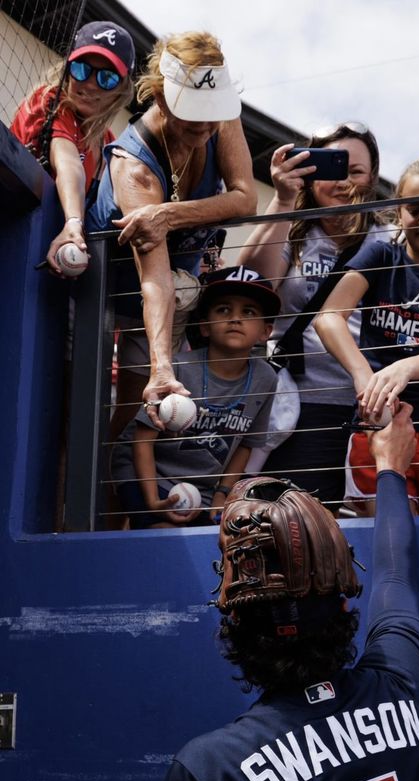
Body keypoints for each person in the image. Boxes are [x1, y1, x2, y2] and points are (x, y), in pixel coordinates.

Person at [143, 403, 419, 781]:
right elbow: (396, 574)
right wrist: (390, 467)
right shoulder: (405, 687)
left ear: (233, 625)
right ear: (343, 608)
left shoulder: (212, 770)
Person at [87, 31, 257, 436]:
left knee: (132, 424)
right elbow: (155, 278)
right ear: (161, 99)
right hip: (100, 290)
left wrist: (167, 215)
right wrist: (161, 364)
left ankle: (111, 500)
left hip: (165, 298)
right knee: (76, 421)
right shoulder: (135, 168)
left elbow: (246, 198)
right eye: (194, 112)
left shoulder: (220, 117)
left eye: (212, 111)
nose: (207, 125)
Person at [240, 122, 389, 509]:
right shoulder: (295, 231)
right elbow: (255, 280)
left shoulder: (388, 240)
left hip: (371, 408)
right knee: (296, 527)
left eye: (355, 172)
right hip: (298, 408)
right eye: (332, 170)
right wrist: (283, 200)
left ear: (372, 178)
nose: (342, 183)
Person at [316, 155, 419, 516]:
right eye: (414, 208)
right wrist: (363, 375)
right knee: (391, 537)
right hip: (379, 425)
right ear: (398, 210)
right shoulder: (379, 255)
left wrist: (401, 369)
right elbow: (328, 317)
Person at [110, 267, 279, 528]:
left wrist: (223, 495)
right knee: (162, 533)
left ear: (266, 332)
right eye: (223, 309)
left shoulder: (265, 378)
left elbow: (246, 444)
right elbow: (142, 439)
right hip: (145, 473)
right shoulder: (177, 369)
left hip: (202, 487)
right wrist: (153, 500)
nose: (235, 318)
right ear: (204, 327)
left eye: (248, 312)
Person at [10, 21, 135, 273]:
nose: (90, 84)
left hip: (56, 261)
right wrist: (74, 223)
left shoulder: (109, 142)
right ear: (68, 68)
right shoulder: (50, 102)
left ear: (121, 89)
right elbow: (68, 164)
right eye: (81, 69)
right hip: (14, 239)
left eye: (107, 77)